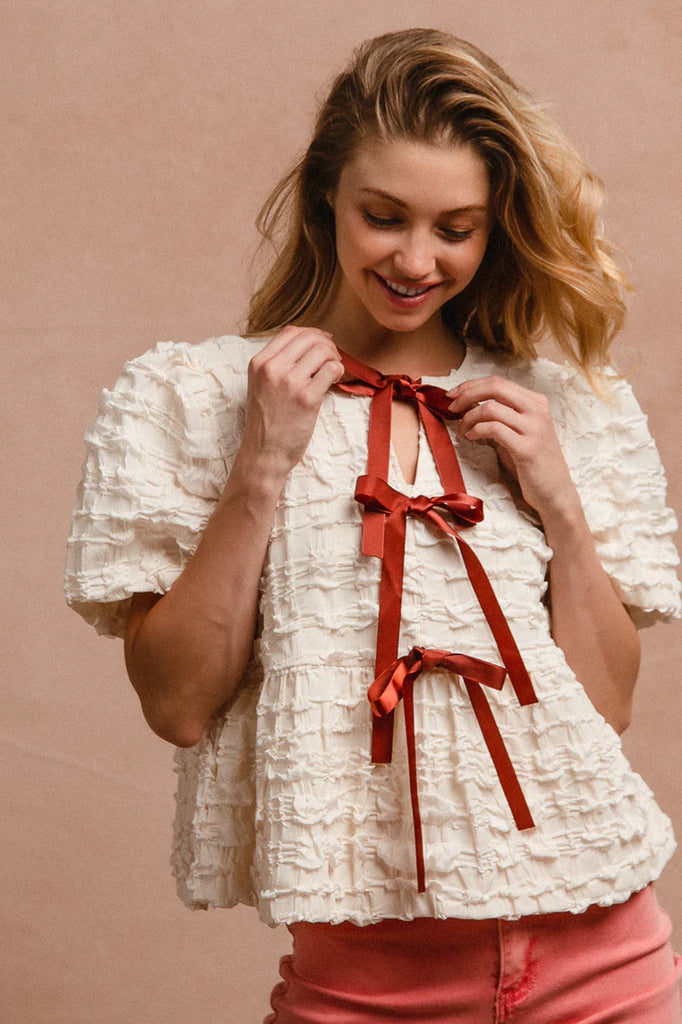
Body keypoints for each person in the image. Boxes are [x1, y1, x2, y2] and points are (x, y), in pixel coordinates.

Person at [64, 27, 682, 1024]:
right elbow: (178, 702)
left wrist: (558, 501)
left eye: (455, 228)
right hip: (365, 982)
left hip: (604, 959)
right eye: (384, 216)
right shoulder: (194, 395)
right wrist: (261, 468)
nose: (414, 258)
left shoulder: (562, 406)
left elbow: (603, 707)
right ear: (326, 203)